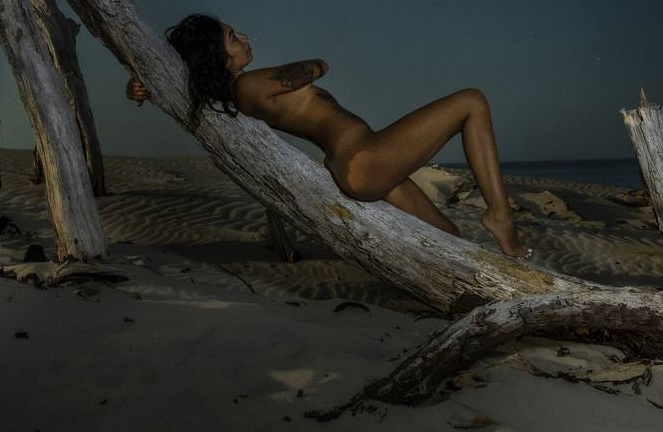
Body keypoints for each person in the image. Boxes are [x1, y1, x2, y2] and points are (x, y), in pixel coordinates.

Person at [126, 13, 531, 259]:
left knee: (451, 239)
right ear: (218, 56)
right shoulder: (248, 86)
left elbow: (180, 84)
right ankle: (500, 214)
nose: (244, 36)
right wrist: (318, 64)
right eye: (233, 37)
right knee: (472, 101)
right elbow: (315, 68)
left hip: (364, 162)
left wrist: (143, 87)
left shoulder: (241, 90)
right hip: (365, 160)